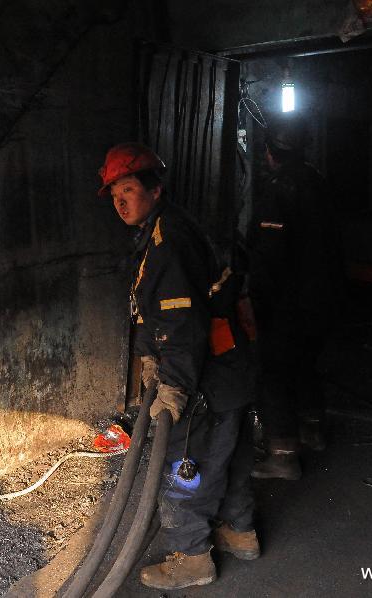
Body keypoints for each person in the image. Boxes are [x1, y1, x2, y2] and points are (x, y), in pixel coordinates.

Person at [98, 142, 258, 591]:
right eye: (114, 195)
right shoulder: (167, 230)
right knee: (231, 454)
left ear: (155, 189)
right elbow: (166, 314)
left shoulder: (167, 241)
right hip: (230, 368)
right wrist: (151, 353)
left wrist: (172, 387)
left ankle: (192, 556)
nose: (121, 202)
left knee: (185, 462)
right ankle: (239, 532)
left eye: (128, 189)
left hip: (205, 374)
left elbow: (182, 325)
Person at [247, 114, 344, 480]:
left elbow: (270, 254)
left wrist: (256, 299)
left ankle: (283, 455)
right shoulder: (318, 181)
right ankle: (313, 430)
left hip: (287, 301)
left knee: (274, 373)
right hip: (321, 298)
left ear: (270, 151)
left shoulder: (278, 188)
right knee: (305, 364)